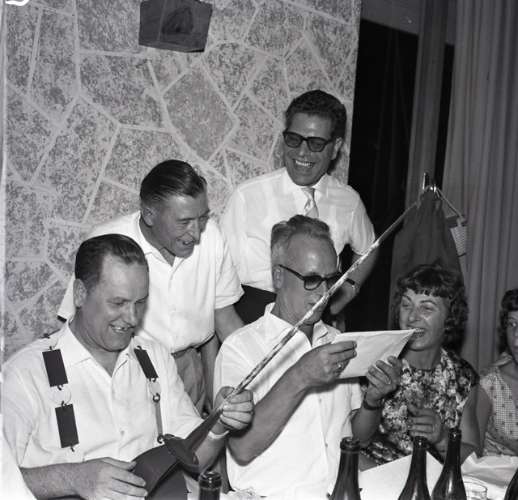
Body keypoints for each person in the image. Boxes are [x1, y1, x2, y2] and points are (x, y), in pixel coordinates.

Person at [3, 234, 253, 499]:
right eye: (118, 303)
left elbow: (195, 458)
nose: (132, 318)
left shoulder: (154, 358)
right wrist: (72, 478)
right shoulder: (25, 374)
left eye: (140, 303)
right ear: (80, 294)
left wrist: (219, 423)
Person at [214, 216, 400, 498]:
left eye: (331, 279)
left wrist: (373, 401)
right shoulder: (240, 348)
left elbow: (356, 438)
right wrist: (300, 376)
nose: (325, 293)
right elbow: (242, 448)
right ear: (278, 276)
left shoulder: (337, 341)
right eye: (312, 280)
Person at [58, 160, 244, 412]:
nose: (196, 232)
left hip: (189, 369)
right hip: (125, 368)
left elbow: (225, 319)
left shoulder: (212, 236)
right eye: (184, 221)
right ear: (149, 214)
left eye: (201, 218)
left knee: (192, 437)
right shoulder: (105, 241)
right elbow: (74, 325)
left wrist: (255, 363)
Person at [221, 89, 377, 323]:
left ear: (335, 147)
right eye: (294, 139)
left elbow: (369, 248)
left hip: (316, 319)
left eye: (315, 143)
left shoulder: (348, 200)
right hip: (255, 316)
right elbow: (219, 279)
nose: (302, 152)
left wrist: (348, 291)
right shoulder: (247, 196)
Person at [362, 264, 480, 465]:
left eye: (426, 308)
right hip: (374, 476)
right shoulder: (378, 364)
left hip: (434, 482)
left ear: (450, 318)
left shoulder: (463, 376)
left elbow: (474, 457)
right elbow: (350, 442)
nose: (411, 318)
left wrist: (442, 439)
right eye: (406, 305)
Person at [476, 288, 518, 456]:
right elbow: (472, 452)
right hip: (496, 470)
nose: (516, 335)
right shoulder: (490, 383)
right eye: (512, 324)